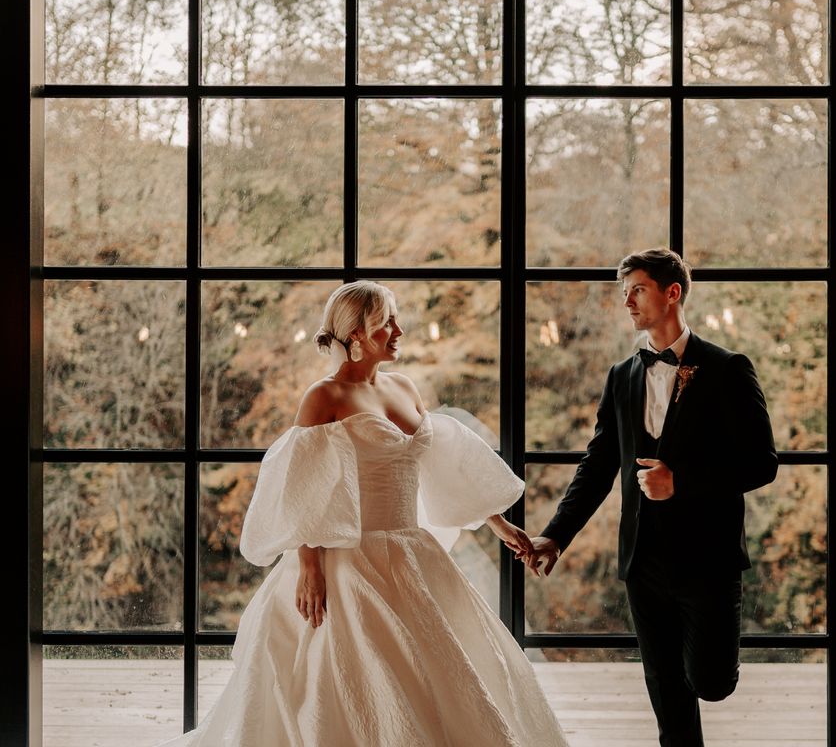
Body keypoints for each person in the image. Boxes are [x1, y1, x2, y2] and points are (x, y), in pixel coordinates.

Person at [155, 280, 569, 747]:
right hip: (349, 560)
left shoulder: (404, 387)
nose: (399, 329)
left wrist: (499, 523)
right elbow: (303, 489)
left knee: (447, 667)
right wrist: (309, 568)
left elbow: (441, 463)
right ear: (355, 334)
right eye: (386, 322)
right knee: (365, 676)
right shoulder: (324, 398)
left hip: (413, 552)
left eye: (395, 319)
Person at [520, 248, 778, 747]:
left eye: (637, 290)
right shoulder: (622, 376)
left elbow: (761, 463)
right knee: (666, 693)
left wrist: (681, 482)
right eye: (624, 293)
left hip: (708, 559)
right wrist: (555, 536)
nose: (628, 302)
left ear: (672, 292)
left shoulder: (727, 369)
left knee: (710, 682)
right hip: (643, 561)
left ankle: (713, 672)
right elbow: (598, 465)